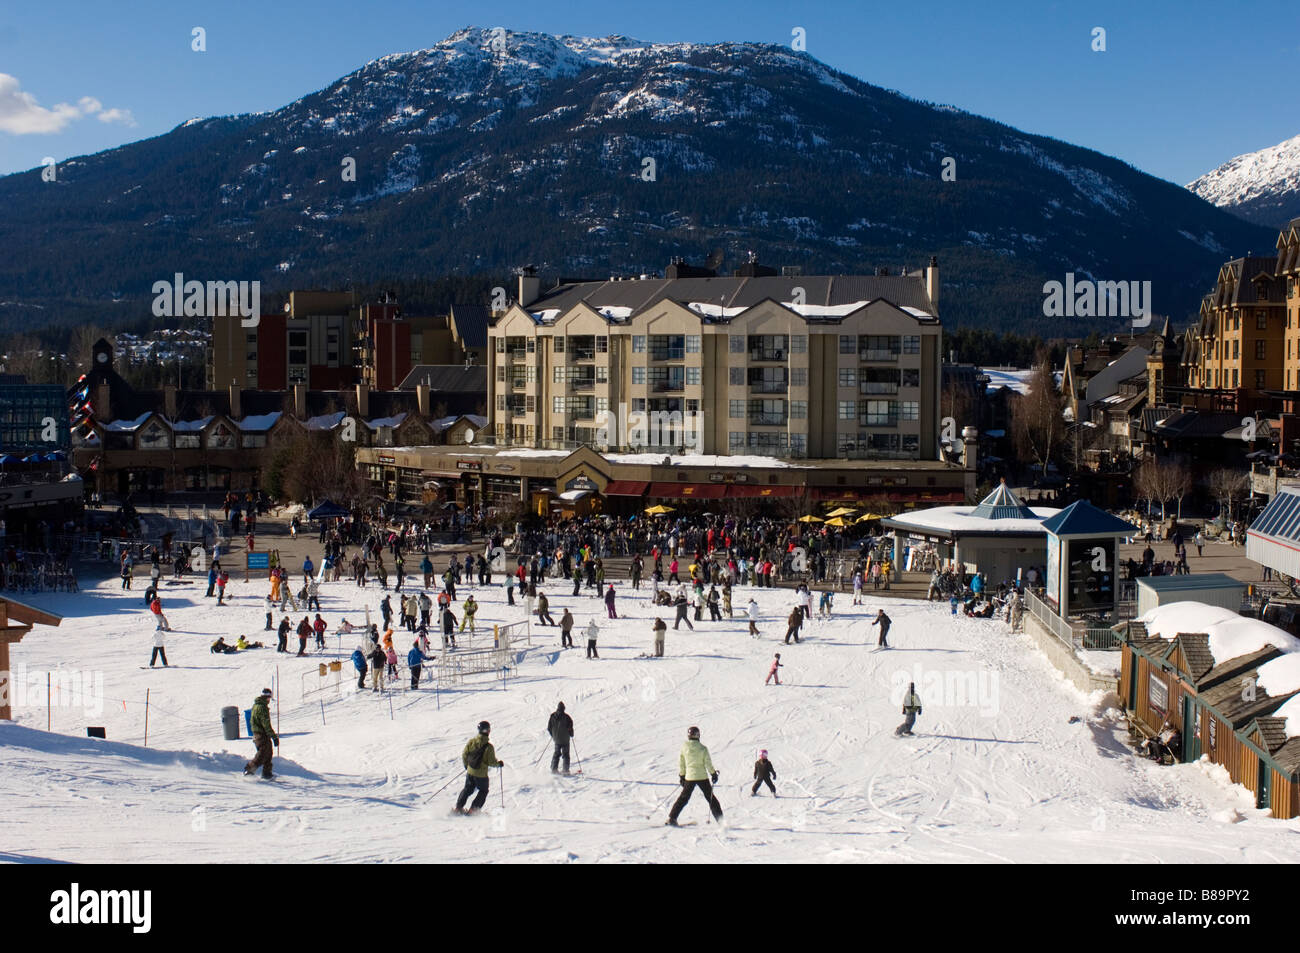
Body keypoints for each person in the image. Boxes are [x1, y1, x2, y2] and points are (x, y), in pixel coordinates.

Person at [666, 726, 723, 826]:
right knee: (710, 798)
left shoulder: (684, 747)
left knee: (683, 798)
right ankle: (721, 821)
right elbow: (708, 763)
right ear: (698, 735)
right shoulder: (703, 748)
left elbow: (682, 763)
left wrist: (682, 776)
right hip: (702, 777)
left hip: (690, 777)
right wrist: (713, 774)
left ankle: (672, 818)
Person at [454, 721, 504, 815]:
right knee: (483, 791)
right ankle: (473, 810)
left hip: (470, 771)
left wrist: (467, 766)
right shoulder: (489, 747)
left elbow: (465, 754)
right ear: (488, 731)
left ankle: (458, 808)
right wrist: (499, 764)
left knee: (467, 789)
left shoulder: (471, 741)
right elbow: (491, 762)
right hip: (481, 775)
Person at [243, 688, 279, 779]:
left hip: (257, 733)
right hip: (261, 734)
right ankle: (249, 770)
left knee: (268, 753)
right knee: (262, 754)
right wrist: (274, 736)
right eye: (269, 698)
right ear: (267, 697)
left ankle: (267, 773)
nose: (269, 700)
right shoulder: (262, 708)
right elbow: (266, 724)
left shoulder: (256, 705)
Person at [547, 702, 574, 774]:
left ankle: (554, 769)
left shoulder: (552, 716)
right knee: (565, 755)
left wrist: (553, 735)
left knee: (556, 753)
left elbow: (549, 728)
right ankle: (565, 770)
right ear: (564, 708)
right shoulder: (567, 717)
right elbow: (570, 728)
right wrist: (571, 734)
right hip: (565, 740)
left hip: (557, 739)